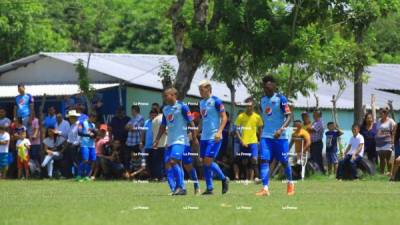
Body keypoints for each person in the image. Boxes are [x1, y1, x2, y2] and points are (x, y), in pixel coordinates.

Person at [153, 88, 199, 195]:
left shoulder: (183, 106)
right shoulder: (165, 109)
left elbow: (191, 124)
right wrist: (157, 139)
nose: (164, 98)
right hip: (170, 142)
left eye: (166, 95)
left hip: (182, 141)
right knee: (168, 164)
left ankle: (191, 186)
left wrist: (195, 139)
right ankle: (176, 188)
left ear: (174, 95)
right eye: (163, 96)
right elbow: (163, 126)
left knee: (182, 164)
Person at [257, 75, 293, 196]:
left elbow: (289, 116)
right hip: (266, 137)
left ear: (274, 86)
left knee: (284, 162)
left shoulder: (281, 99)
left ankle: (290, 184)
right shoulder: (262, 100)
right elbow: (264, 117)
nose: (266, 90)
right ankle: (265, 188)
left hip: (280, 138)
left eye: (268, 88)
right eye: (264, 88)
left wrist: (281, 129)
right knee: (264, 160)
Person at [198, 80, 229, 195]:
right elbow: (202, 119)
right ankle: (209, 188)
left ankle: (223, 178)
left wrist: (219, 132)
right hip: (204, 137)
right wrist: (196, 131)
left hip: (214, 136)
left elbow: (224, 118)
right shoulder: (201, 103)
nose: (200, 92)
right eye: (199, 90)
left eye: (202, 89)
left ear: (208, 88)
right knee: (204, 162)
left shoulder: (216, 101)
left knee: (208, 161)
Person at [235, 97, 263, 181]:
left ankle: (257, 177)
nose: (249, 107)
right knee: (244, 161)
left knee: (254, 159)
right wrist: (241, 140)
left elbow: (260, 129)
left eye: (250, 105)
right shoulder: (240, 116)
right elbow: (236, 129)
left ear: (253, 106)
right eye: (247, 106)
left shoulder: (257, 117)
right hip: (243, 142)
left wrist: (259, 140)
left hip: (253, 141)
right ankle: (246, 178)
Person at [375, 107, 396, 175]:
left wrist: (392, 138)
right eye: (380, 113)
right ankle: (382, 173)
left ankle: (389, 173)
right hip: (379, 143)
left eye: (382, 113)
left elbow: (395, 128)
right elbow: (377, 130)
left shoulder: (390, 121)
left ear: (386, 114)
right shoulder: (378, 121)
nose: (380, 114)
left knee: (388, 158)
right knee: (381, 159)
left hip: (388, 142)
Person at [124, 105, 144, 177]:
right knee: (127, 159)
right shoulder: (132, 118)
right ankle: (128, 174)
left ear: (134, 110)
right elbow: (126, 127)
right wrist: (130, 127)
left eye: (132, 110)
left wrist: (130, 127)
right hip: (129, 142)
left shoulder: (140, 118)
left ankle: (137, 175)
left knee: (139, 159)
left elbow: (134, 128)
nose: (131, 112)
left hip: (136, 142)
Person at [77, 112, 98, 181]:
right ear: (89, 117)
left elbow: (94, 136)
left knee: (93, 160)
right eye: (92, 118)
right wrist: (88, 135)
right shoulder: (82, 123)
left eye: (94, 118)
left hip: (92, 145)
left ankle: (87, 176)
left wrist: (95, 135)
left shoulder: (93, 125)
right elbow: (79, 132)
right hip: (84, 144)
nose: (93, 120)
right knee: (85, 160)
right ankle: (79, 175)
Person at [151, 107, 167, 182]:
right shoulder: (163, 119)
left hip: (155, 144)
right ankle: (163, 177)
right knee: (163, 162)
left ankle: (158, 177)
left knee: (157, 162)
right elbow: (165, 131)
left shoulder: (154, 120)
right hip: (163, 144)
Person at [308, 109, 325, 174]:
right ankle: (316, 172)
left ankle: (321, 172)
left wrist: (307, 126)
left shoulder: (320, 122)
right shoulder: (315, 122)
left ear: (318, 115)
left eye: (315, 114)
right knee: (313, 158)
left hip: (317, 143)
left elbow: (311, 130)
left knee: (317, 158)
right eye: (313, 114)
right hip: (313, 143)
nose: (313, 115)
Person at [65, 110, 81, 178]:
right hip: (70, 145)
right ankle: (71, 174)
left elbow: (79, 136)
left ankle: (78, 174)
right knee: (70, 161)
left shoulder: (79, 125)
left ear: (75, 117)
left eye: (72, 117)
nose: (71, 119)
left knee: (76, 160)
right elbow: (69, 137)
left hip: (76, 146)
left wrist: (74, 144)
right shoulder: (71, 126)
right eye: (70, 118)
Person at [142, 109, 157, 179]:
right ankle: (151, 177)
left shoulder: (158, 122)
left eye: (154, 115)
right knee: (148, 162)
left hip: (155, 146)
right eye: (151, 115)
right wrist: (141, 141)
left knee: (155, 162)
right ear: (149, 115)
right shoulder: (146, 122)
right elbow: (143, 133)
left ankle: (155, 176)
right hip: (147, 146)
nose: (153, 116)